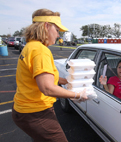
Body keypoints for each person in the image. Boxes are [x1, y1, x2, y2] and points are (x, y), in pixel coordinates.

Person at [12, 8, 87, 142]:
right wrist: (77, 95)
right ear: (46, 26)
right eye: (57, 30)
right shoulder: (41, 51)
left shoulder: (30, 46)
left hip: (23, 109)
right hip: (36, 112)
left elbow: (41, 77)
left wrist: (66, 81)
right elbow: (47, 88)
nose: (58, 35)